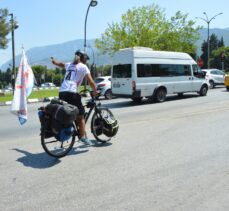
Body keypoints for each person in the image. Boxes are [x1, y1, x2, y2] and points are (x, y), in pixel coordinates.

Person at [51, 50, 98, 144]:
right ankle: (82, 138)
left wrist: (54, 62)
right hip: (72, 93)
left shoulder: (69, 64)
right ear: (83, 58)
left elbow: (61, 64)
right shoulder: (84, 67)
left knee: (71, 112)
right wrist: (95, 91)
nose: (86, 61)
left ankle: (76, 130)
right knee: (81, 116)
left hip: (62, 92)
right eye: (86, 59)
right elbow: (91, 82)